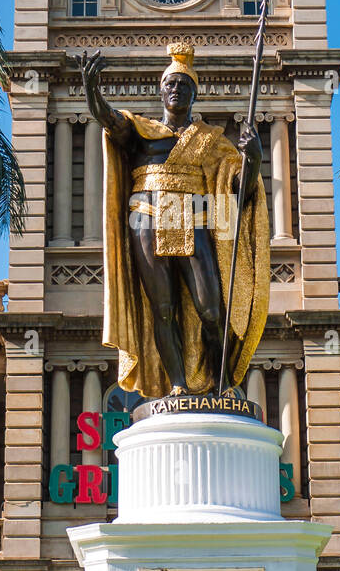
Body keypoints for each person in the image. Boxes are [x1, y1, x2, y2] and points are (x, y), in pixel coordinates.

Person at [78, 40, 270, 399]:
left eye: (184, 85)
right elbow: (108, 119)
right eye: (170, 84)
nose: (176, 90)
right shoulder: (142, 131)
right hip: (146, 220)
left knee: (212, 310)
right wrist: (92, 92)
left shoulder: (211, 140)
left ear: (194, 94)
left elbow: (239, 193)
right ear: (161, 91)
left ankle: (222, 381)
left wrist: (254, 160)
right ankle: (177, 383)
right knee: (162, 310)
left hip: (193, 220)